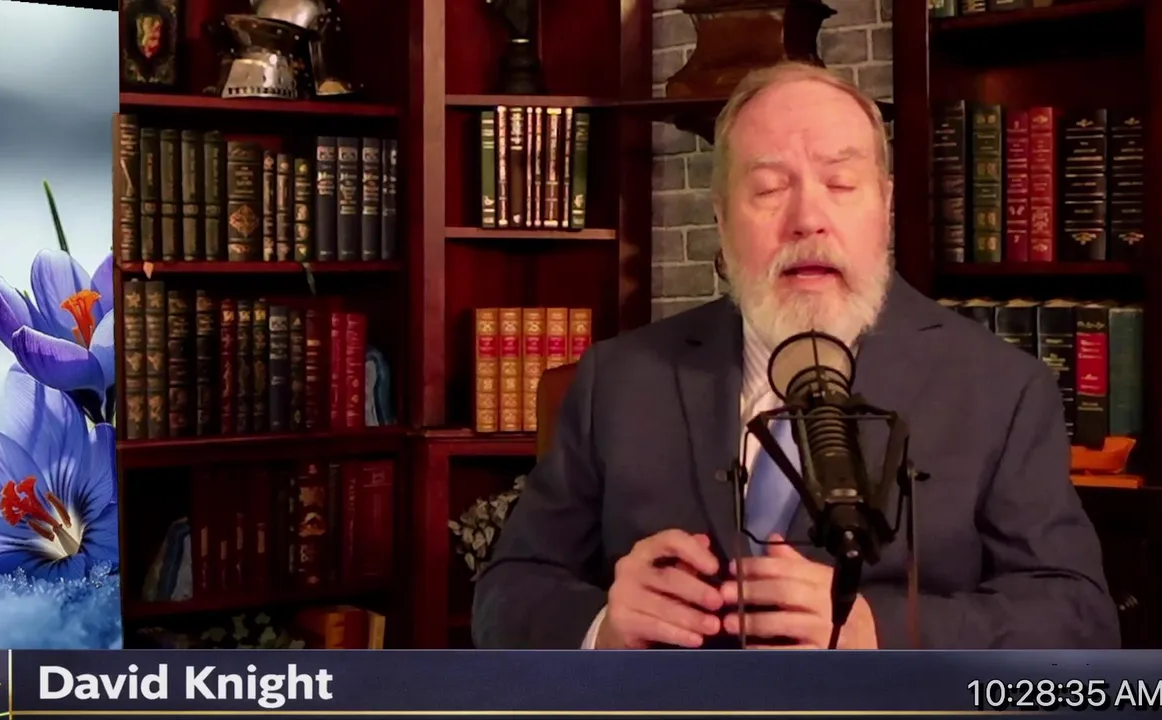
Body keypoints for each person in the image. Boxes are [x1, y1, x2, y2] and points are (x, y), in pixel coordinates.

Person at [471, 61, 1120, 650]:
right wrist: (603, 626)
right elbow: (508, 591)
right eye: (768, 188)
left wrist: (880, 631)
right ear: (721, 218)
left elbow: (1079, 617)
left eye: (841, 183)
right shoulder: (618, 380)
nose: (808, 219)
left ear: (886, 206)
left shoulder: (1000, 388)